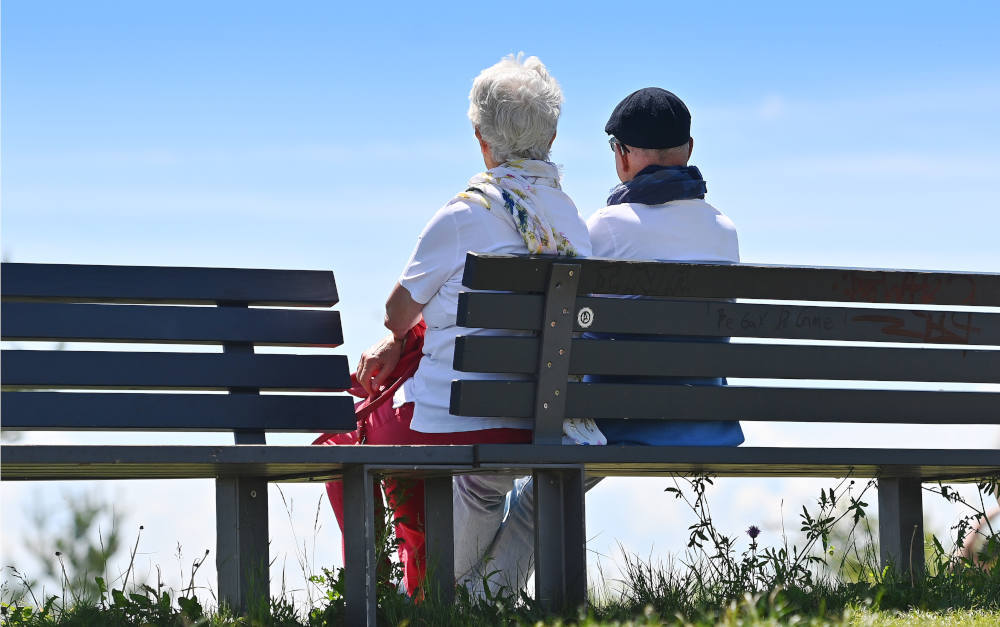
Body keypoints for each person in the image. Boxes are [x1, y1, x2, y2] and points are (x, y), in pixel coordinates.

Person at [468, 87, 746, 597]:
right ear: (688, 148)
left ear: (622, 156)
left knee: (534, 496)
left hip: (624, 421)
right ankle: (483, 599)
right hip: (705, 420)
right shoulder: (723, 231)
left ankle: (481, 601)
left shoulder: (607, 228)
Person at [343, 53, 600, 598]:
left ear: (481, 138)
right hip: (541, 415)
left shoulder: (463, 215)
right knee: (481, 485)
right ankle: (464, 602)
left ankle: (396, 593)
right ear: (551, 136)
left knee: (347, 428)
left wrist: (397, 341)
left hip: (453, 415)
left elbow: (396, 315)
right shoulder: (572, 221)